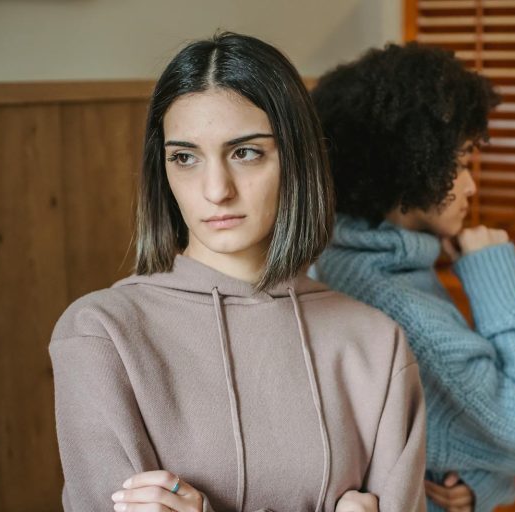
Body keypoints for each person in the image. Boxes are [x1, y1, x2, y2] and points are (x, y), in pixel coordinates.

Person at [50, 33, 426, 512]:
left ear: (297, 157)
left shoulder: (377, 344)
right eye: (184, 157)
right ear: (162, 169)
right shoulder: (100, 335)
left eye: (245, 152)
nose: (216, 190)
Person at [311, 43, 515, 512]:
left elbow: (435, 450)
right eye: (463, 163)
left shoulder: (334, 258)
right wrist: (496, 278)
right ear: (415, 163)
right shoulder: (400, 307)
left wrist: (477, 488)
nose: (471, 186)